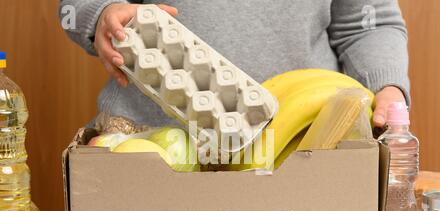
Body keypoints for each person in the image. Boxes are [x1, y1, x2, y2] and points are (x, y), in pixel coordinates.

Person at [59, 0, 410, 128]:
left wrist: (387, 88)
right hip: (150, 143)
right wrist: (102, 15)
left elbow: (370, 24)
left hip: (302, 147)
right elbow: (73, 7)